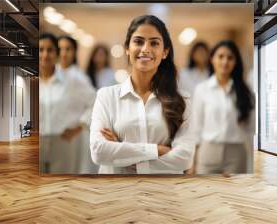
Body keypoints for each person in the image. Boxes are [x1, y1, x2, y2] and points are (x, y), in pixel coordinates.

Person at [89, 15, 195, 174]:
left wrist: (122, 153)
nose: (145, 49)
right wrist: (157, 150)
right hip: (114, 192)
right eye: (138, 41)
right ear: (127, 48)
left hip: (163, 193)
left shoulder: (182, 100)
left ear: (164, 52)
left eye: (154, 43)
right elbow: (98, 151)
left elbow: (184, 158)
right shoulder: (106, 96)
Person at [192, 40, 255, 176]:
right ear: (212, 59)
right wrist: (192, 162)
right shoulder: (201, 89)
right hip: (208, 152)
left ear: (236, 62)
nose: (225, 62)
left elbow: (250, 129)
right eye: (220, 56)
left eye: (230, 57)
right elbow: (196, 128)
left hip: (236, 153)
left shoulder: (245, 91)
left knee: (233, 196)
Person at [39, 33, 96, 174]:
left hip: (63, 141)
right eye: (40, 50)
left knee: (62, 185)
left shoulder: (74, 79)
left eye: (50, 50)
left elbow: (95, 103)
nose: (45, 55)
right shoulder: (35, 80)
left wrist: (79, 126)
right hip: (39, 142)